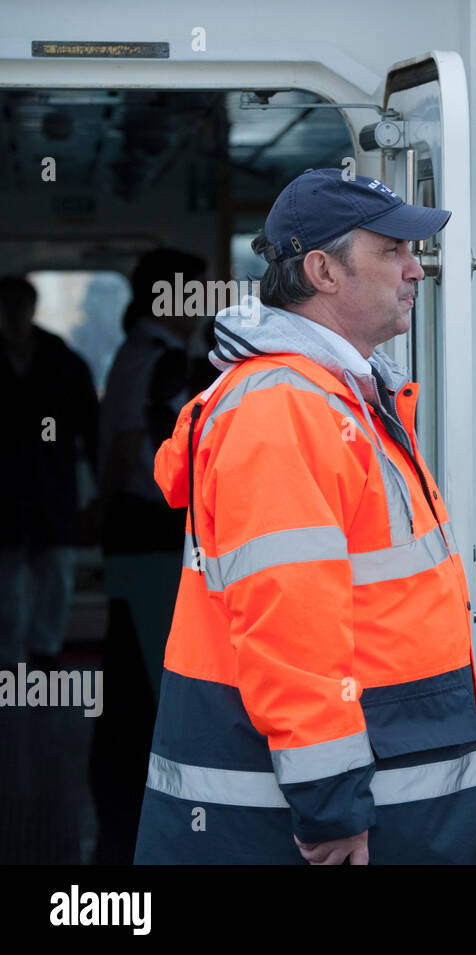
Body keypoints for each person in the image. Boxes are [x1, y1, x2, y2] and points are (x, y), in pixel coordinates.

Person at [133, 168, 476, 865]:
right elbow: (292, 630)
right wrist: (330, 806)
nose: (416, 270)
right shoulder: (282, 410)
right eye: (393, 251)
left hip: (392, 800)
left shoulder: (337, 396)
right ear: (321, 270)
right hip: (320, 821)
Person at [91, 248, 214, 863]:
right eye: (193, 294)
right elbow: (126, 444)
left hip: (132, 526)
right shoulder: (160, 361)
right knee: (146, 665)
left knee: (132, 659)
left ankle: (123, 780)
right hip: (147, 528)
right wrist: (111, 507)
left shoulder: (143, 356)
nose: (201, 307)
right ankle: (138, 793)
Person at [0, 275, 99, 671]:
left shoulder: (60, 359)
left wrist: (99, 485)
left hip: (50, 485)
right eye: (8, 306)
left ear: (31, 308)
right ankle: (9, 657)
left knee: (55, 576)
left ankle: (44, 650)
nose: (14, 314)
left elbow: (90, 424)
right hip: (7, 489)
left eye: (20, 305)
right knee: (6, 584)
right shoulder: (59, 358)